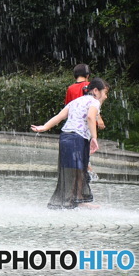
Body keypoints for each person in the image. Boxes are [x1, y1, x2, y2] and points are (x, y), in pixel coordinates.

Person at [32, 77, 109, 209]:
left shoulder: (75, 101)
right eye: (105, 92)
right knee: (79, 170)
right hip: (77, 138)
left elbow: (59, 117)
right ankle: (77, 201)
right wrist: (94, 138)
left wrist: (44, 127)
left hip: (66, 137)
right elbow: (91, 117)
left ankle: (74, 200)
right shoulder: (94, 102)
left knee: (73, 170)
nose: (106, 97)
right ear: (96, 91)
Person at [64, 64, 104, 181]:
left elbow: (68, 106)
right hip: (87, 123)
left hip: (75, 124)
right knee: (86, 147)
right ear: (87, 75)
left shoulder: (70, 88)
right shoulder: (89, 86)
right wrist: (99, 118)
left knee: (80, 149)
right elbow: (92, 104)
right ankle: (89, 173)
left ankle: (83, 171)